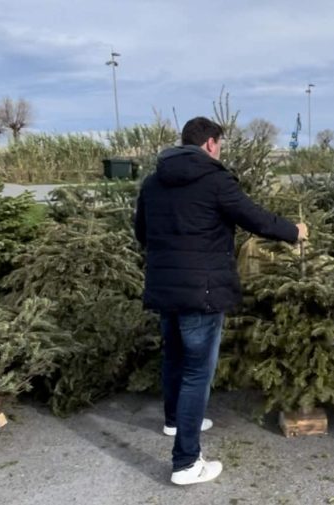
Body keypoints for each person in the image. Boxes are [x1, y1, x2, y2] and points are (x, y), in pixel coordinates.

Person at [134, 116, 307, 486]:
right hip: (203, 292)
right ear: (211, 143)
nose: (220, 151)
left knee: (174, 357)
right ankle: (186, 463)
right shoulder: (215, 179)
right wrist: (294, 231)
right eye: (220, 145)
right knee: (197, 372)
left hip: (166, 288)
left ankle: (175, 421)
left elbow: (142, 233)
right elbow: (254, 218)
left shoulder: (152, 182)